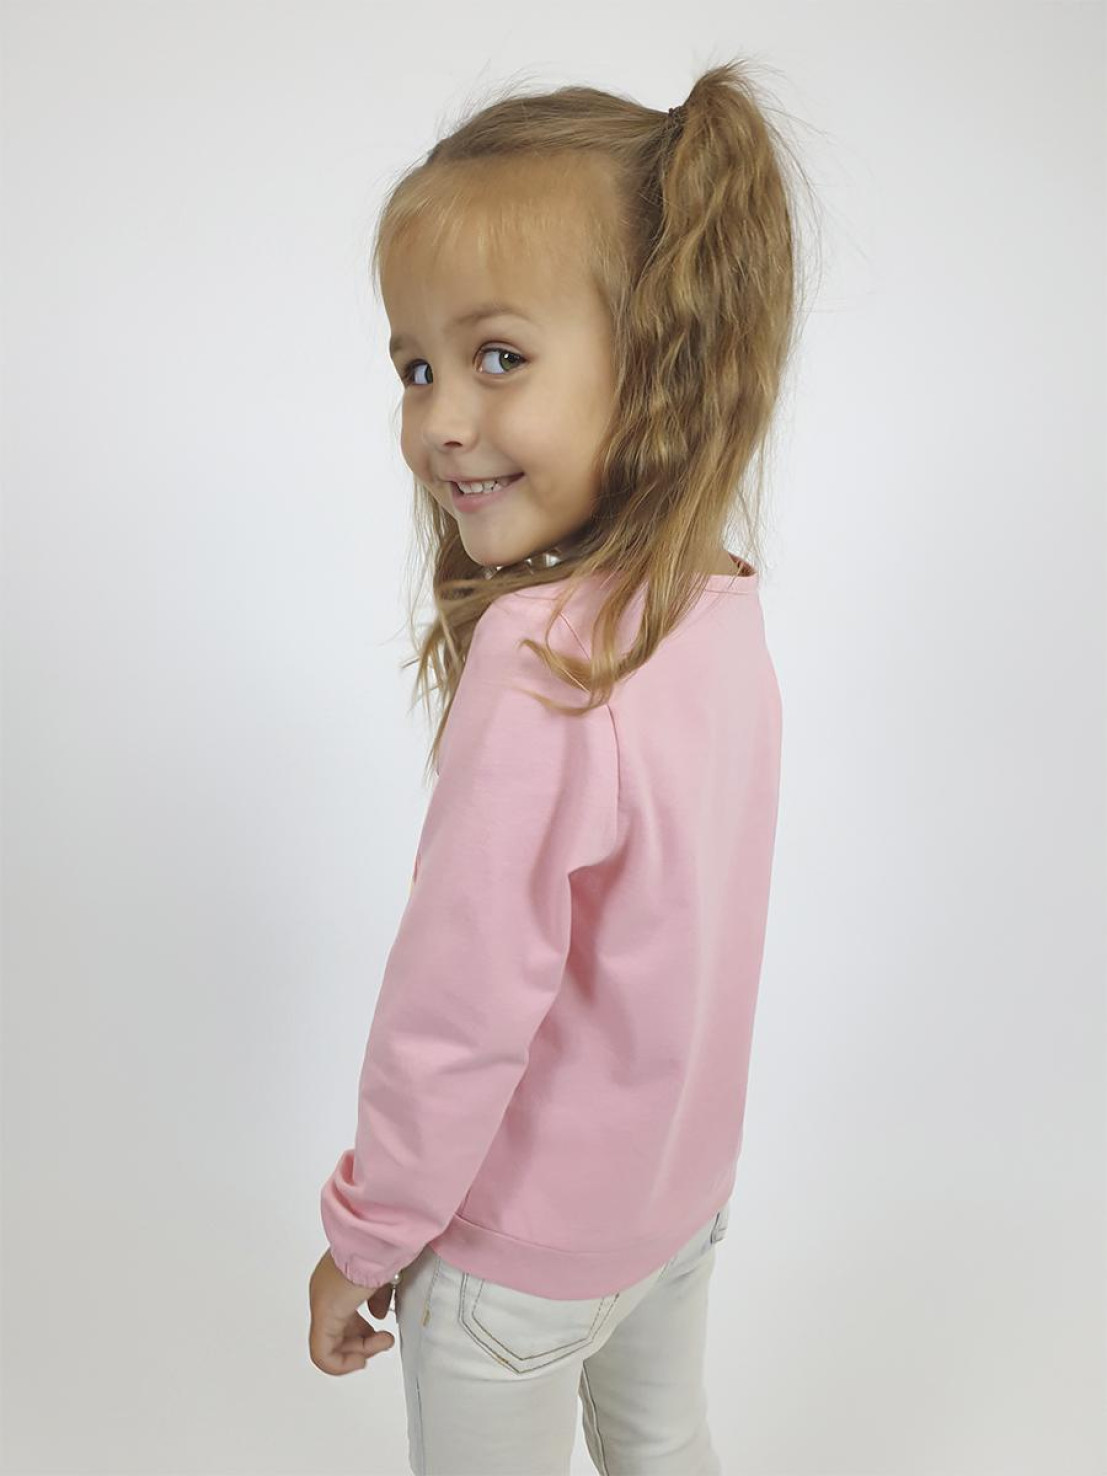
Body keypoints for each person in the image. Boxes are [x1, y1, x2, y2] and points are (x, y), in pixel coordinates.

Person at [308, 55, 817, 1476]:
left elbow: (458, 1007)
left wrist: (367, 1235)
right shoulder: (717, 607)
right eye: (416, 366)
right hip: (673, 1213)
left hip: (515, 1261)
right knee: (668, 1446)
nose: (438, 420)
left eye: (498, 358)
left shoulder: (543, 662)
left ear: (658, 362)